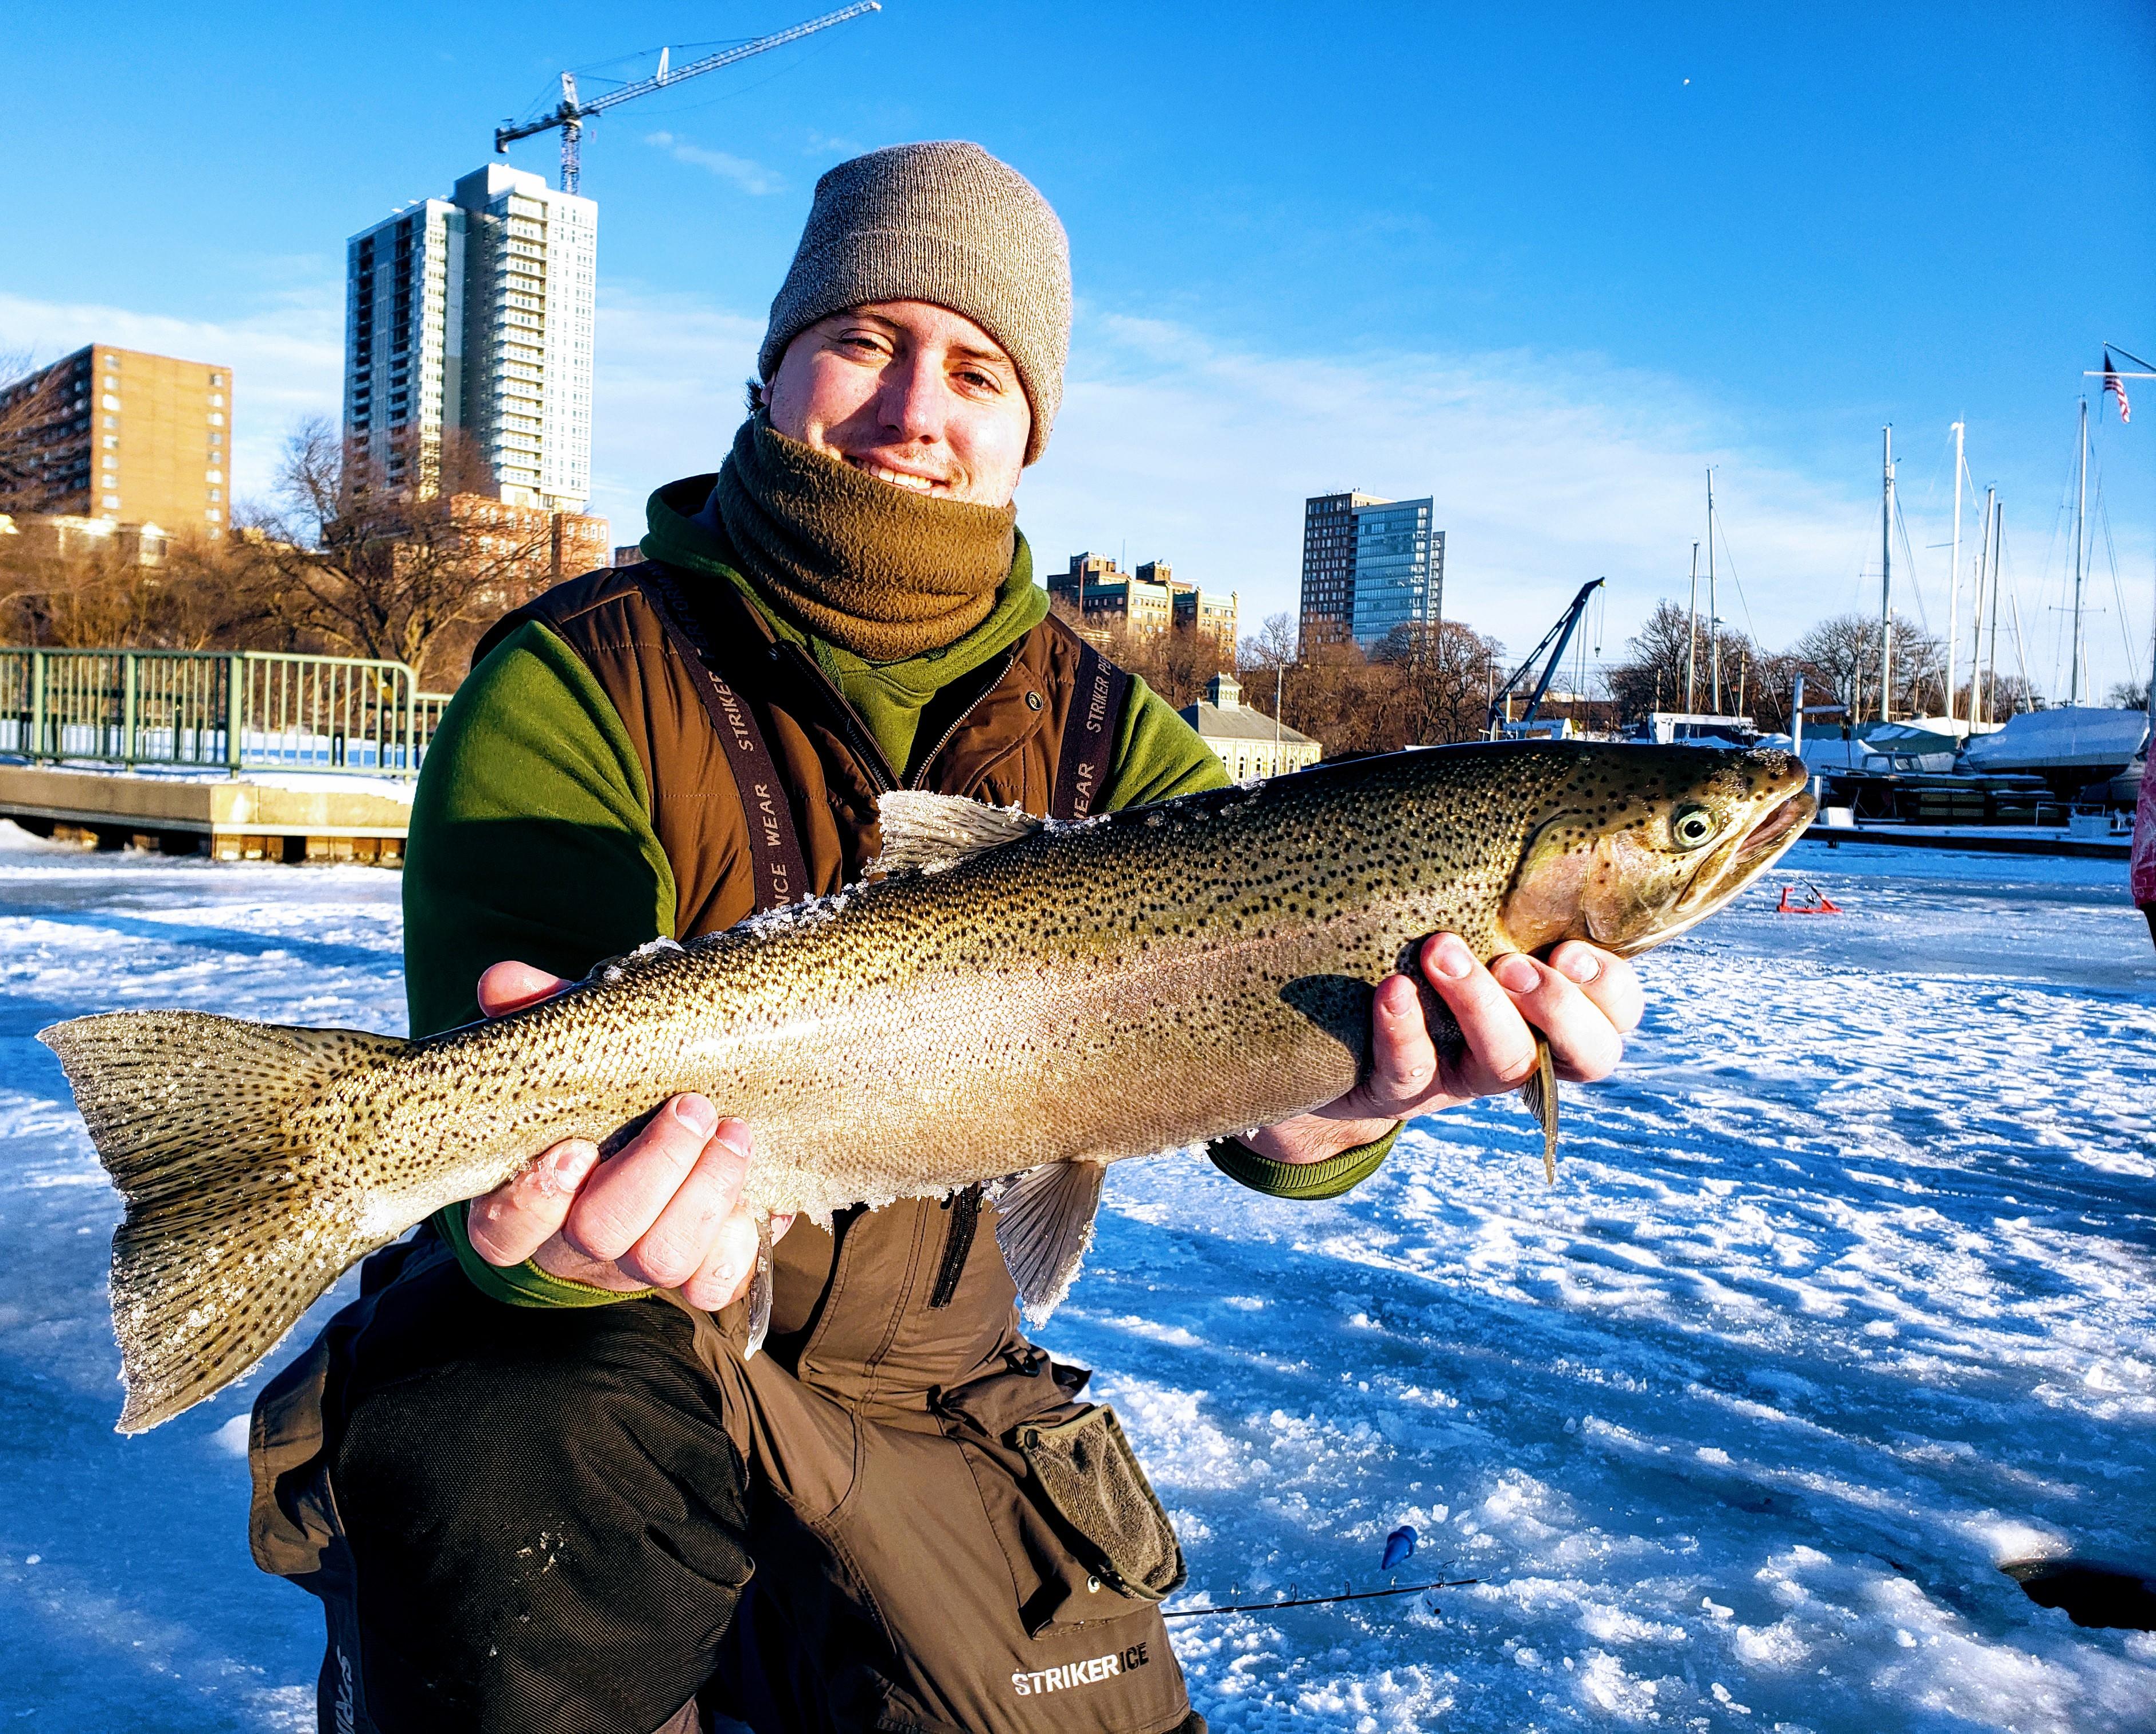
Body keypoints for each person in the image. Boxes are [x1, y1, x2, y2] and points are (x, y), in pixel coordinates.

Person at [248, 142, 1644, 1734]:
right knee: (520, 1430)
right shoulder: (579, 674)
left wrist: (1344, 1102)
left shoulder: (1122, 736)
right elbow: (512, 1114)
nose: (919, 408)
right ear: (774, 366)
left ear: (1029, 428)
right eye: (863, 341)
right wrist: (558, 1245)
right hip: (592, 1351)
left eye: (979, 369)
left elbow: (1268, 1106)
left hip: (937, 1389)